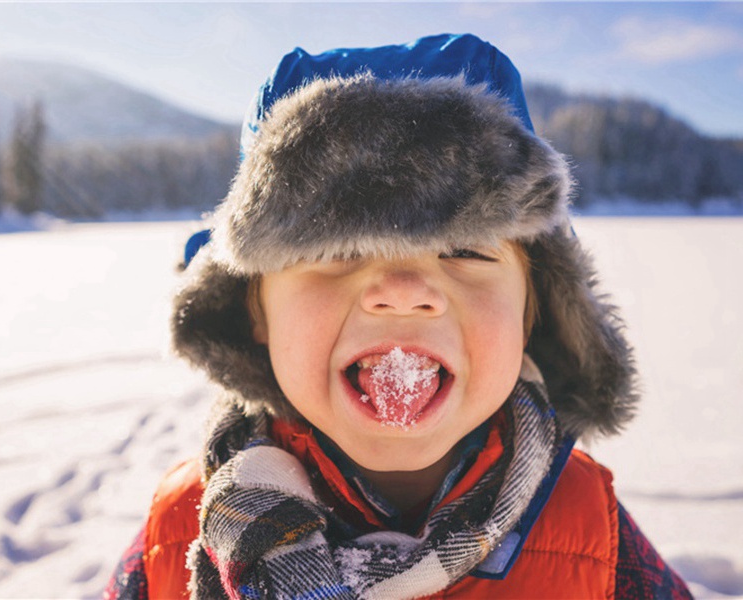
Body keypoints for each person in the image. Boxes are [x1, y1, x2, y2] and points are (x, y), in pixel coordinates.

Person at [105, 33, 692, 599]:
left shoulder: (593, 530)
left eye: (464, 250)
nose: (404, 292)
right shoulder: (178, 529)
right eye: (336, 253)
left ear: (531, 311)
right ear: (255, 312)